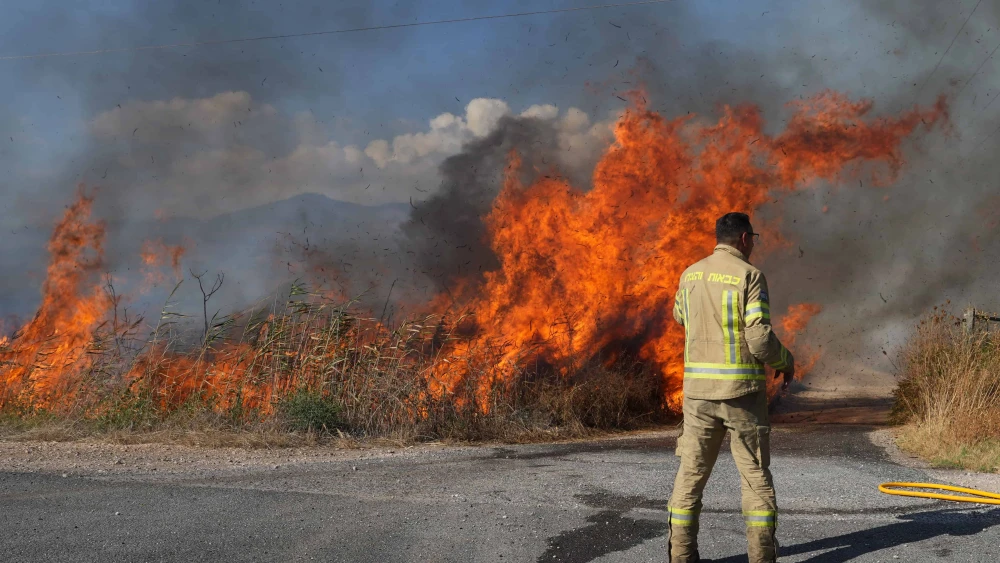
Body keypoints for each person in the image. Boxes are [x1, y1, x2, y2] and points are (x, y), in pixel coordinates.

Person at [668, 212, 795, 563]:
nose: (753, 243)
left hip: (697, 395)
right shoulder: (750, 275)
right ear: (743, 239)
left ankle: (680, 556)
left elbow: (680, 316)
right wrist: (786, 361)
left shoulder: (690, 273)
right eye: (753, 237)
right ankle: (761, 557)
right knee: (754, 477)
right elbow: (759, 338)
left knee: (690, 476)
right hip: (742, 395)